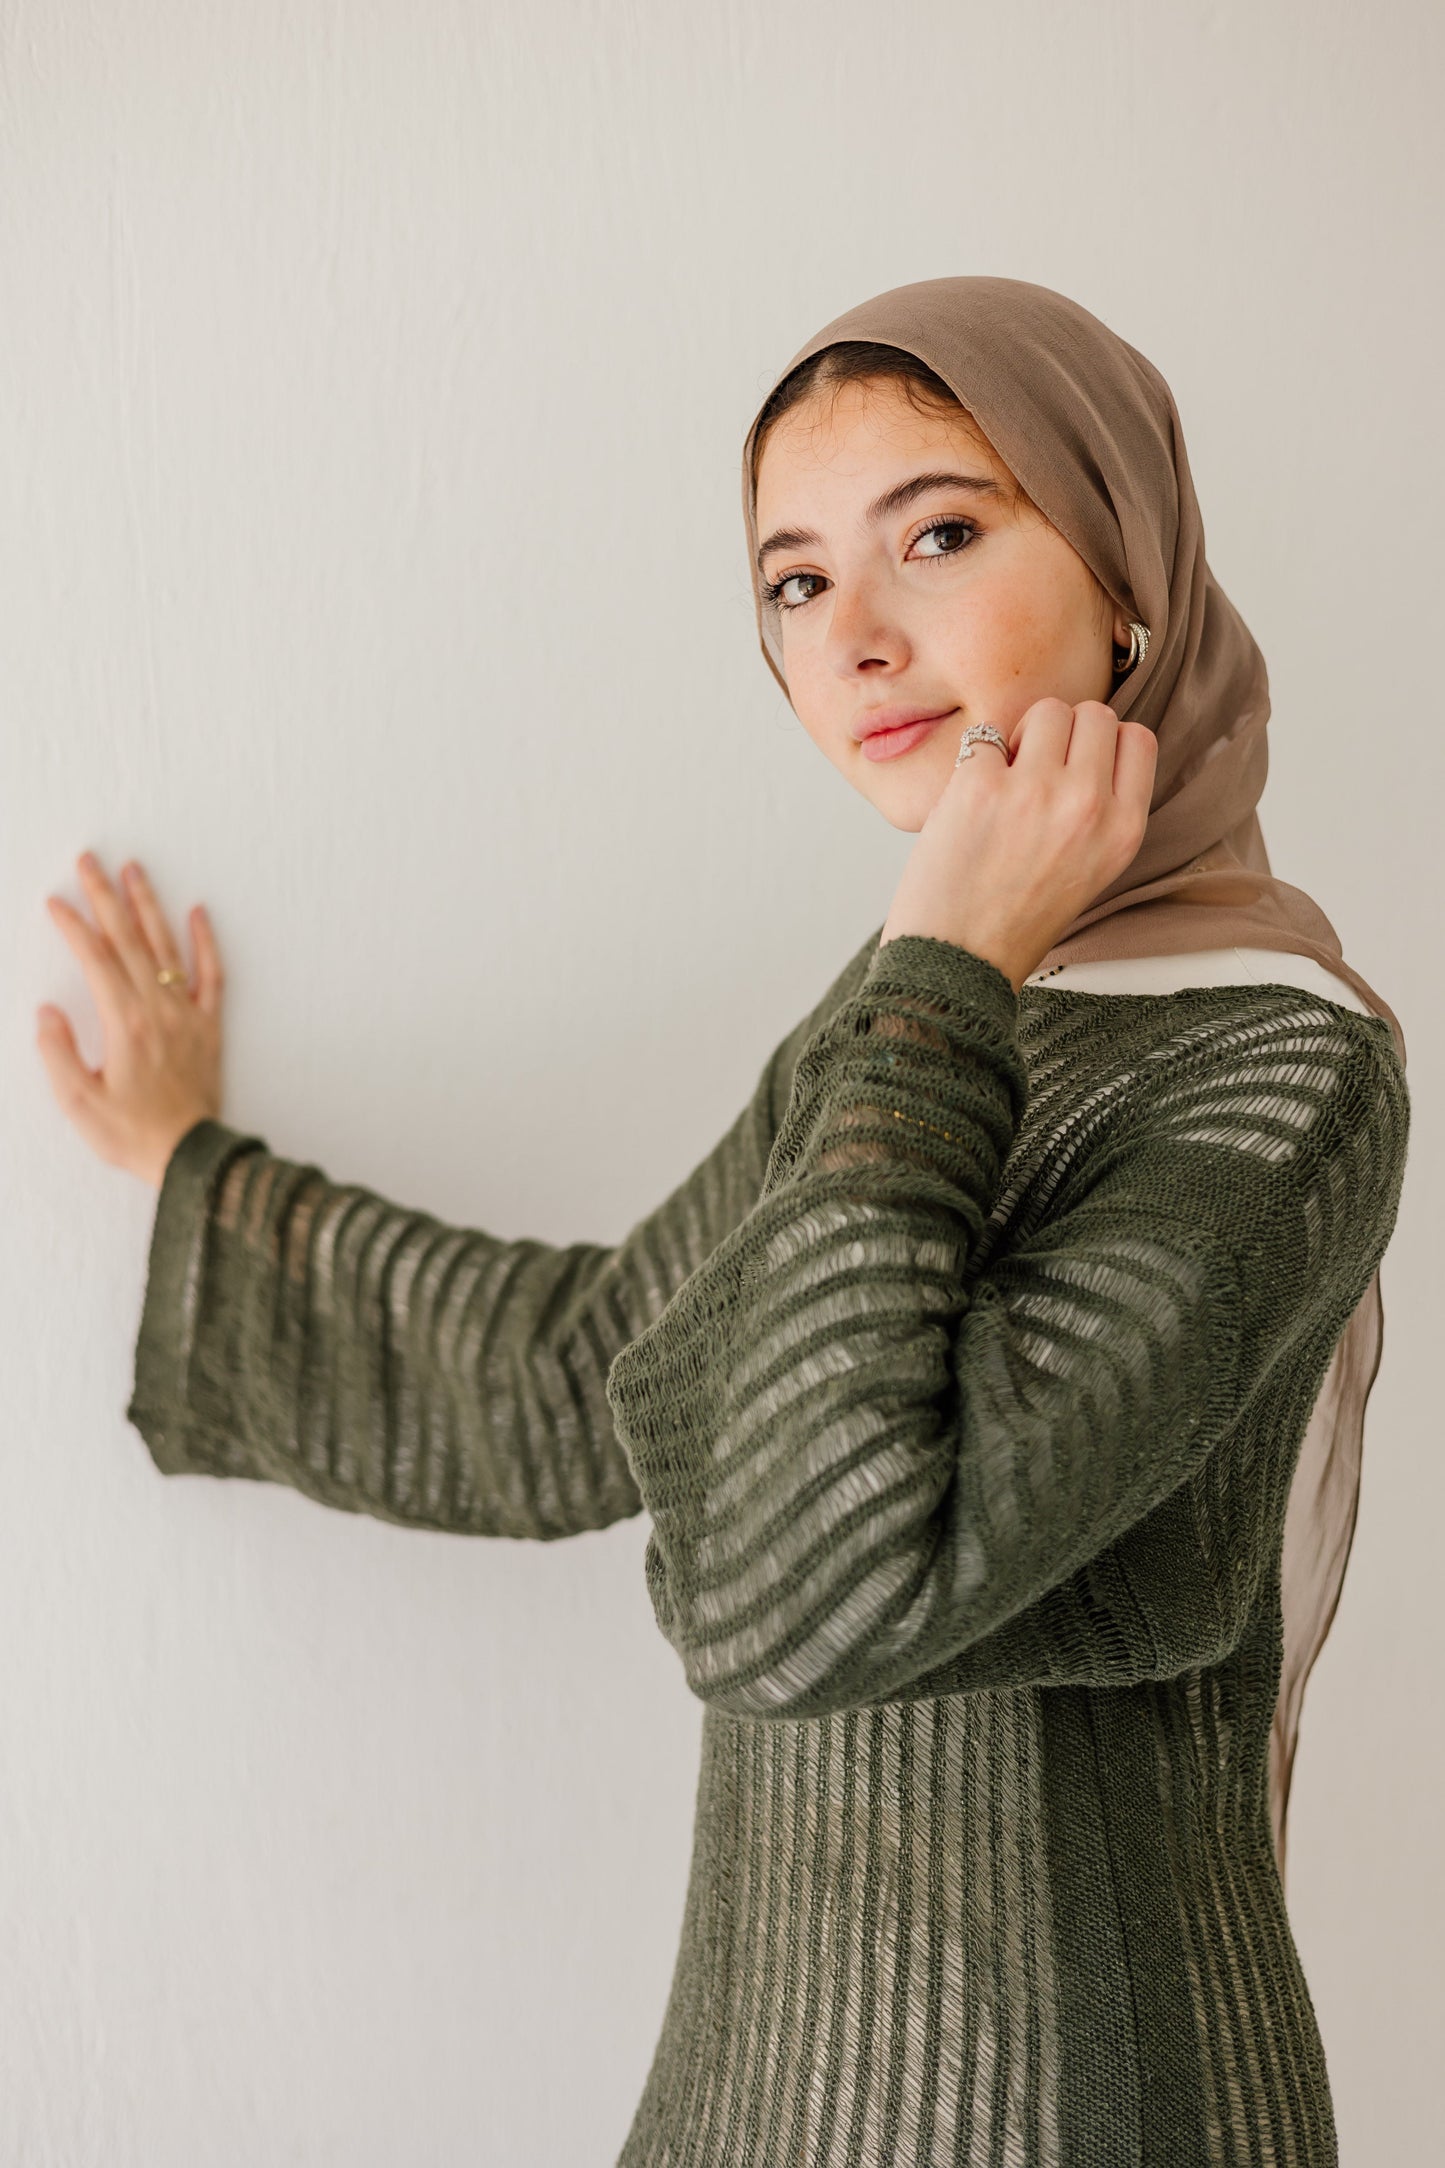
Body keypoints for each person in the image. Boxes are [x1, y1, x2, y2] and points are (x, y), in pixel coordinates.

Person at [37, 276, 1410, 2166]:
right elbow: (595, 1370)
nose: (852, 636)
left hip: (1079, 2105)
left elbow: (808, 1587)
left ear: (1125, 579)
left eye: (938, 532)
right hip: (765, 2084)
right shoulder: (918, 1017)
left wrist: (944, 958)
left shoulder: (1275, 1070)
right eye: (790, 581)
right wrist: (194, 1166)